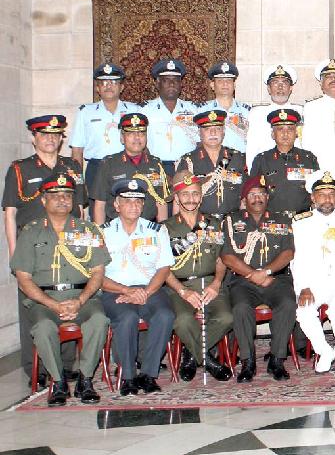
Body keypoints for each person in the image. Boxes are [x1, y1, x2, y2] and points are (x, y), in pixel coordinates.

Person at [9, 173, 108, 406]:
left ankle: (85, 379)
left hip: (83, 298)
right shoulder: (30, 232)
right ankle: (58, 381)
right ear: (44, 200)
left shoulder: (88, 230)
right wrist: (53, 304)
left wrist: (80, 300)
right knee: (43, 327)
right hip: (45, 300)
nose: (62, 200)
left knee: (99, 321)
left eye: (67, 195)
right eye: (56, 196)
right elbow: (23, 279)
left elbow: (98, 272)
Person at [100, 178, 176, 396]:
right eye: (127, 201)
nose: (133, 206)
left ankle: (148, 374)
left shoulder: (157, 231)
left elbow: (164, 268)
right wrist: (127, 291)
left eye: (138, 201)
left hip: (150, 289)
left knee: (165, 315)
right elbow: (96, 275)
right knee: (127, 318)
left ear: (143, 205)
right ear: (116, 205)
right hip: (115, 290)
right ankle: (128, 376)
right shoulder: (102, 233)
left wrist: (145, 292)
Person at [220, 175, 297, 383]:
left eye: (261, 194)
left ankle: (277, 360)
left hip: (276, 279)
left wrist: (267, 272)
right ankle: (248, 361)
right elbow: (227, 256)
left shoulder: (282, 219)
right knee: (240, 308)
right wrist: (253, 275)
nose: (257, 198)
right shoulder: (231, 221)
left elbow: (288, 253)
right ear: (244, 199)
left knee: (288, 303)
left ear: (267, 197)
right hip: (243, 281)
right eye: (252, 195)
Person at [163, 171, 234, 382]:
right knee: (183, 320)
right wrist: (183, 291)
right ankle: (208, 360)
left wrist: (217, 283)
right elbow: (162, 268)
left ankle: (191, 354)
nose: (191, 199)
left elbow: (221, 258)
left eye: (195, 193)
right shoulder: (165, 228)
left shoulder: (214, 223)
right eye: (185, 194)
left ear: (201, 197)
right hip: (179, 286)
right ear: (177, 198)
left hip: (211, 283)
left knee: (226, 318)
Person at [291, 172, 335, 374]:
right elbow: (296, 259)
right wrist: (303, 287)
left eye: (331, 194)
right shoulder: (300, 223)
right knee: (304, 312)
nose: (327, 199)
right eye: (322, 194)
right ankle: (324, 351)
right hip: (312, 281)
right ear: (313, 197)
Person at [5, 115, 86, 254]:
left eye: (55, 135)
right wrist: (14, 254)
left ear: (60, 139)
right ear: (33, 139)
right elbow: (10, 214)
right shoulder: (20, 169)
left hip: (67, 243)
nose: (51, 139)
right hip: (33, 245)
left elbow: (79, 210)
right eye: (44, 134)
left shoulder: (72, 166)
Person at [90, 113, 170, 225]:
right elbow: (100, 204)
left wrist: (162, 229)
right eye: (131, 133)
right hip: (115, 227)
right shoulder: (109, 164)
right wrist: (101, 232)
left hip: (148, 228)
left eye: (141, 133)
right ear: (122, 138)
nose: (137, 137)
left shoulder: (156, 164)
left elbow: (161, 202)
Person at [69, 62, 139, 186]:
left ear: (121, 87)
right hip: (96, 168)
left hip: (127, 165)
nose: (109, 86)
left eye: (113, 82)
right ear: (97, 88)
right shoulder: (85, 112)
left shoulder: (134, 110)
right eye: (104, 82)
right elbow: (77, 150)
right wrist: (78, 183)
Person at [175, 108, 247, 217]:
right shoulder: (188, 161)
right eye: (207, 129)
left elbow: (244, 197)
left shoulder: (237, 158)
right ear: (199, 133)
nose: (213, 133)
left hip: (232, 220)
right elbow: (178, 199)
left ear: (223, 132)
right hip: (200, 221)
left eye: (217, 128)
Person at [249, 108, 320, 214]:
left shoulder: (308, 158)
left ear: (296, 133)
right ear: (273, 134)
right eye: (280, 129)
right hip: (272, 219)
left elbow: (317, 191)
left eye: (290, 129)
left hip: (303, 218)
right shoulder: (261, 160)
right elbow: (253, 193)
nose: (285, 133)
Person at [141, 58, 199, 174]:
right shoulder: (145, 111)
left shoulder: (194, 110)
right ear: (157, 83)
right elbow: (140, 143)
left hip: (187, 167)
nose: (171, 84)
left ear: (181, 84)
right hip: (155, 167)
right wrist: (152, 166)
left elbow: (200, 142)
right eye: (166, 80)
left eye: (176, 80)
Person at [245, 64, 304, 169]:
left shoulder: (302, 112)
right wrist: (252, 174)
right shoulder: (256, 113)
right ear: (268, 88)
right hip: (266, 169)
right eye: (275, 82)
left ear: (291, 88)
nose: (280, 87)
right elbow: (251, 147)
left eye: (284, 82)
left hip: (296, 169)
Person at [198, 60, 249, 154]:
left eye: (229, 80)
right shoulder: (201, 111)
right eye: (220, 81)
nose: (225, 84)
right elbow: (197, 140)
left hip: (241, 160)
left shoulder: (247, 111)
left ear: (234, 85)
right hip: (212, 160)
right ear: (212, 85)